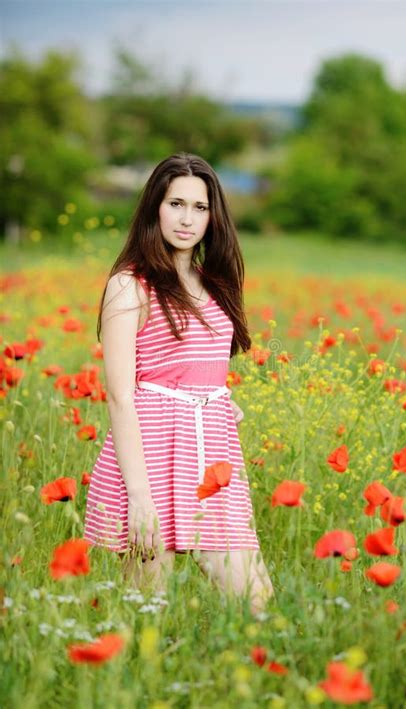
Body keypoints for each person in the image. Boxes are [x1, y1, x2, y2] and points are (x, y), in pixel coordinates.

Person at [83, 152, 275, 617]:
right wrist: (139, 498)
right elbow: (121, 397)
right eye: (176, 204)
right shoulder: (130, 286)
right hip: (149, 461)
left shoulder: (215, 285)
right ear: (155, 207)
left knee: (258, 604)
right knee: (148, 612)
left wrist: (222, 406)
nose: (187, 219)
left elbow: (202, 372)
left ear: (214, 216)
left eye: (200, 207)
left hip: (211, 459)